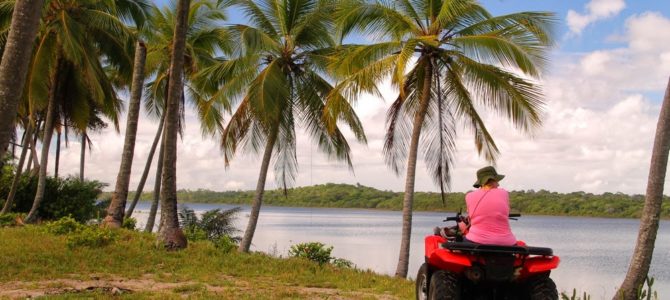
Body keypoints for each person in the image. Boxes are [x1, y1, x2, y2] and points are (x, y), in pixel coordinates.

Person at [459, 166, 517, 246]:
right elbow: (506, 212)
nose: (498, 184)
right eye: (496, 181)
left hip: (476, 240)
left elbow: (470, 215)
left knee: (458, 240)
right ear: (492, 180)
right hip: (507, 242)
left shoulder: (469, 196)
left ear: (481, 183)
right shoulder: (504, 193)